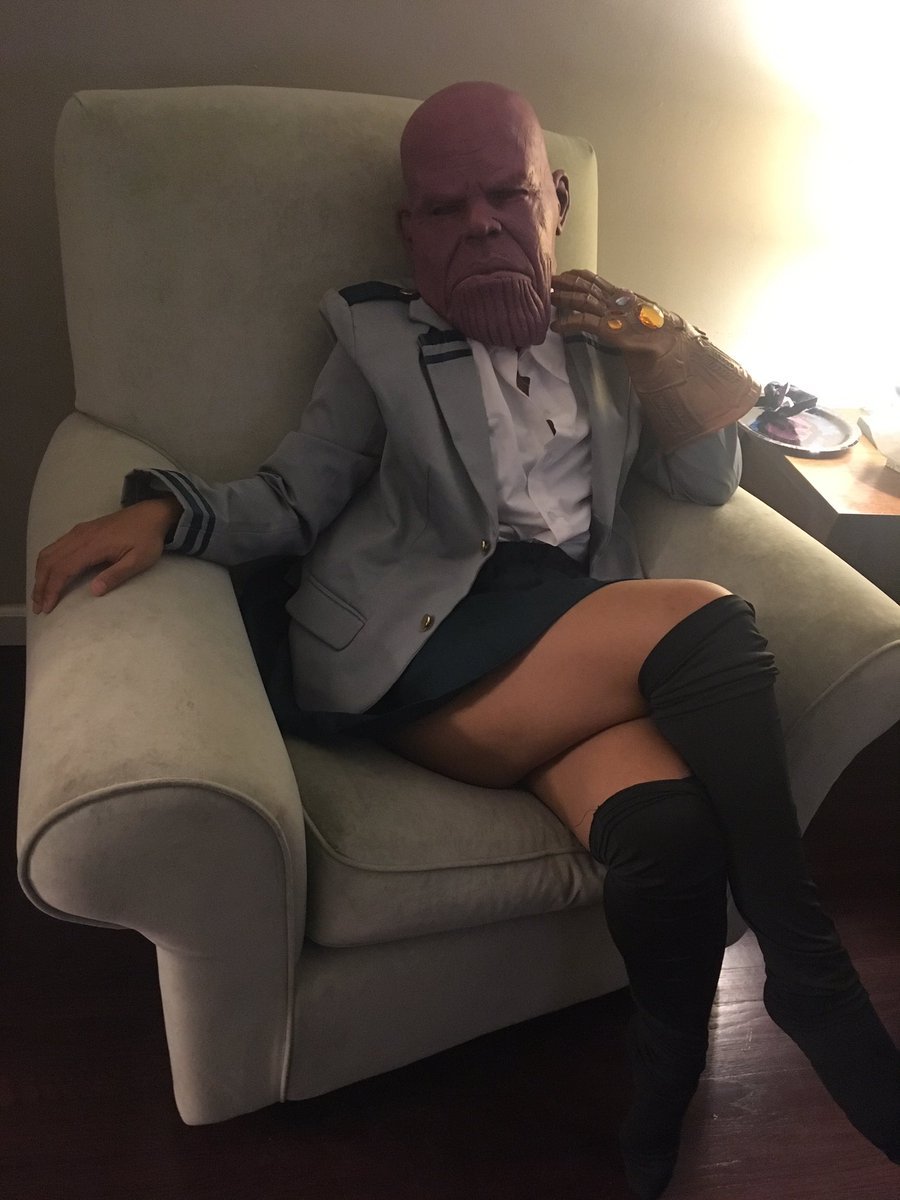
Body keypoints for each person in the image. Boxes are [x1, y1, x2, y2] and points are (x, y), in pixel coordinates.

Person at [32, 82, 899, 1199]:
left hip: (564, 645)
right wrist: (169, 510)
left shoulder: (606, 337)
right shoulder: (377, 337)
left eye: (506, 196)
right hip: (427, 643)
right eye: (446, 209)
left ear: (555, 200)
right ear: (411, 231)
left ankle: (664, 1089)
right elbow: (294, 495)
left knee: (668, 835)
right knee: (709, 623)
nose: (481, 225)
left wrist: (663, 343)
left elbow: (705, 479)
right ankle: (810, 973)